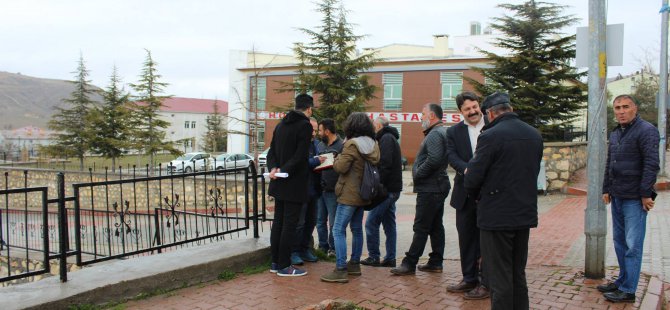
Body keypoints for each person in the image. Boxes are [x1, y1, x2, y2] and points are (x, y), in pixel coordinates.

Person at [464, 92, 543, 309]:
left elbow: (472, 179)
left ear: (490, 113)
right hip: (524, 213)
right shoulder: (534, 134)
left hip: (496, 216)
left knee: (499, 277)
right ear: (509, 108)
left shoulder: (490, 136)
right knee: (518, 273)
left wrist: (476, 190)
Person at [597, 94, 660, 303]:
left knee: (633, 245)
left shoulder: (646, 131)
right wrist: (606, 188)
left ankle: (628, 290)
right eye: (617, 108)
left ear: (635, 108)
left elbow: (651, 164)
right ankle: (623, 280)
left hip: (634, 198)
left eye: (625, 107)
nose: (621, 111)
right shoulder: (616, 133)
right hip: (617, 195)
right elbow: (610, 162)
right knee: (620, 242)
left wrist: (645, 194)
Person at [391, 103, 450, 276]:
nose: (420, 118)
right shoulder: (440, 132)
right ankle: (435, 261)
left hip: (431, 188)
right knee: (435, 226)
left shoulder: (435, 134)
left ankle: (409, 263)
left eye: (423, 114)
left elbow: (434, 159)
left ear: (432, 116)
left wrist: (417, 174)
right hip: (436, 186)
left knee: (421, 227)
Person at [321, 112, 380, 283]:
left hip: (349, 194)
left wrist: (337, 158)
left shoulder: (351, 144)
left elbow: (340, 167)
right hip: (363, 193)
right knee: (356, 229)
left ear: (351, 126)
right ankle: (354, 264)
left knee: (338, 229)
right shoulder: (373, 143)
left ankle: (340, 269)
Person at [446, 91, 489, 299]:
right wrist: (467, 169)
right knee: (466, 238)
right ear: (460, 112)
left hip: (489, 194)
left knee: (486, 240)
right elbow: (451, 155)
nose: (473, 112)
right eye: (467, 109)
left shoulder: (492, 125)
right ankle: (468, 278)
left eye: (474, 107)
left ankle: (484, 281)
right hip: (464, 194)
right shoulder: (453, 132)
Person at [266, 93, 314, 277]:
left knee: (278, 222)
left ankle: (275, 262)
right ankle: (285, 266)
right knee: (289, 225)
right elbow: (301, 156)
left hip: (279, 181)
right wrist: (283, 170)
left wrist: (274, 169)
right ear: (309, 109)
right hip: (293, 183)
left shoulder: (280, 125)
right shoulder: (304, 126)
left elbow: (271, 152)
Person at [361, 116, 403, 268]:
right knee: (389, 223)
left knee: (371, 222)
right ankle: (390, 257)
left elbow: (384, 165)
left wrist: (376, 185)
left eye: (373, 125)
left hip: (387, 190)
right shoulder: (389, 138)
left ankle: (374, 256)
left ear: (378, 125)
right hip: (392, 189)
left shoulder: (385, 139)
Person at [291, 117, 323, 265]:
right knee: (300, 223)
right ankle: (294, 252)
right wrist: (317, 161)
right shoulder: (300, 144)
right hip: (302, 189)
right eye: (312, 130)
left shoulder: (315, 144)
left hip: (314, 190)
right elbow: (300, 163)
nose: (314, 133)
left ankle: (305, 249)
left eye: (316, 130)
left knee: (311, 221)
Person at [316, 118, 344, 257]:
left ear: (327, 131)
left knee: (333, 222)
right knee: (320, 221)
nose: (318, 133)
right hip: (320, 189)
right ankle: (322, 247)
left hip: (333, 190)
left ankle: (333, 249)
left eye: (320, 130)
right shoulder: (320, 146)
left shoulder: (341, 146)